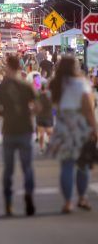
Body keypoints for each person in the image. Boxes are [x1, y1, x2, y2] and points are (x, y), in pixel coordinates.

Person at [49, 56, 97, 214]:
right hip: (79, 123)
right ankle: (82, 197)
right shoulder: (81, 82)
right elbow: (88, 108)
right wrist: (95, 128)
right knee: (82, 164)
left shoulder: (56, 84)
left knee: (66, 166)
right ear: (75, 67)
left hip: (63, 123)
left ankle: (68, 202)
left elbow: (53, 105)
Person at [0, 55, 37, 217]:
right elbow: (37, 106)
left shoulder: (2, 86)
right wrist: (27, 113)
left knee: (9, 169)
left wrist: (6, 113)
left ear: (7, 67)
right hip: (25, 129)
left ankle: (9, 203)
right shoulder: (27, 85)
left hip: (9, 130)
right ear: (19, 67)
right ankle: (28, 195)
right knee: (27, 167)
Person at [36, 83, 53, 154]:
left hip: (40, 117)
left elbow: (35, 105)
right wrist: (54, 114)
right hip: (49, 116)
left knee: (41, 134)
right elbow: (54, 107)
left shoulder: (38, 96)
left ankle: (41, 148)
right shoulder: (50, 96)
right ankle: (50, 146)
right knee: (50, 133)